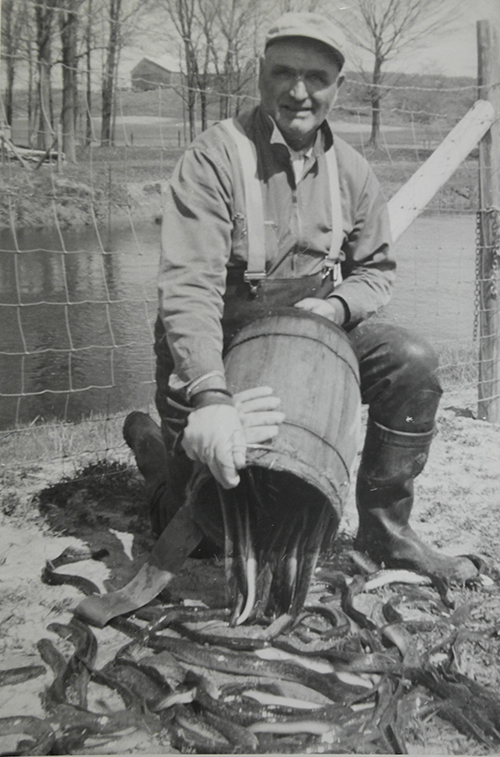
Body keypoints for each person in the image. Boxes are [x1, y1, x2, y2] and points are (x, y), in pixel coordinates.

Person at [125, 11, 478, 582]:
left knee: (409, 361)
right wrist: (211, 399)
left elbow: (375, 273)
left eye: (316, 77)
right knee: (205, 537)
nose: (298, 91)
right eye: (283, 72)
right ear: (257, 75)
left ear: (339, 87)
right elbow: (188, 290)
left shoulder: (354, 173)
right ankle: (152, 450)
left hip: (311, 338)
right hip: (221, 342)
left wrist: (337, 308)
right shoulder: (214, 158)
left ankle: (385, 535)